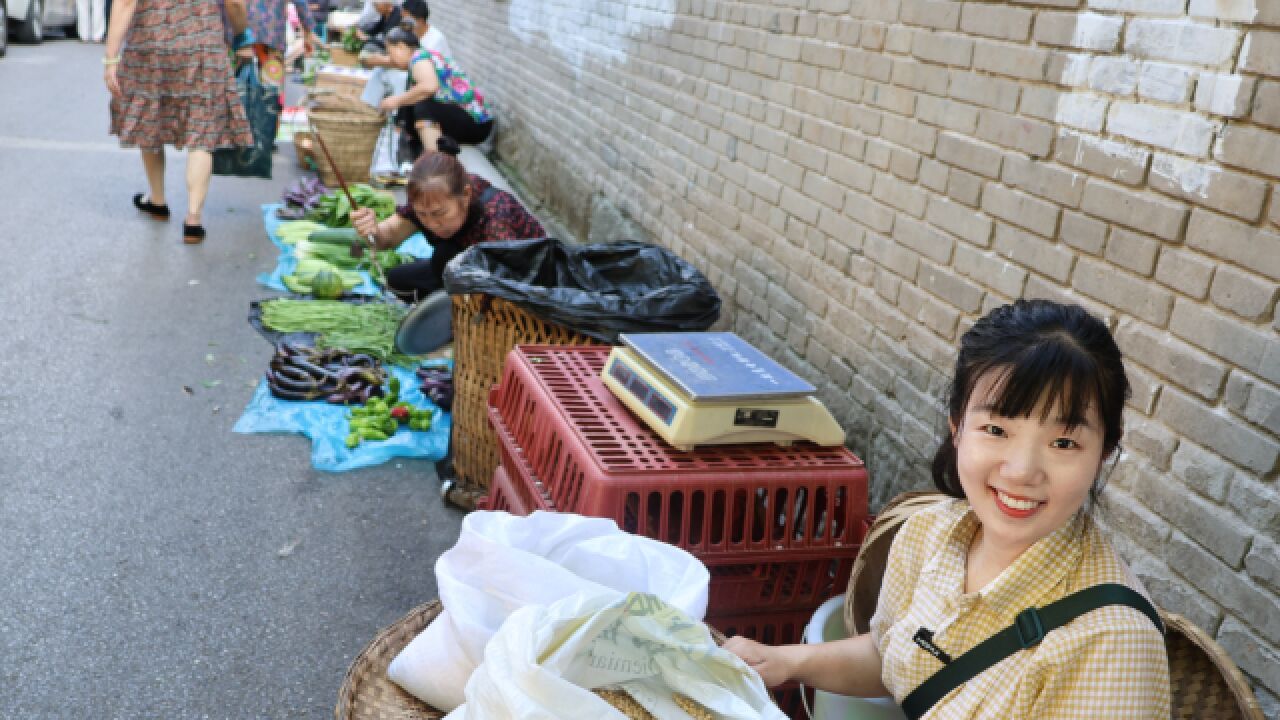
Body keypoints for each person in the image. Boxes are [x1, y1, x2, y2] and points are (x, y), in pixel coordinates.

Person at [725, 299, 1171, 718]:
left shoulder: (1114, 644)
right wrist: (782, 661)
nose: (1021, 471)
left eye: (1063, 442)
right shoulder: (929, 532)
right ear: (957, 426)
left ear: (1104, 451)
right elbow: (894, 656)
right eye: (996, 429)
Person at [104, 0, 254, 244]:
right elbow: (235, 3)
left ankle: (158, 200)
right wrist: (241, 35)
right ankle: (193, 219)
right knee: (202, 129)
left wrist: (111, 58)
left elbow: (125, 2)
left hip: (150, 44)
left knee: (150, 120)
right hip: (203, 45)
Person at [350, 138, 543, 302]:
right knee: (398, 280)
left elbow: (514, 289)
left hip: (515, 286)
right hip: (456, 272)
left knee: (446, 259)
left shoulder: (495, 223)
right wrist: (371, 230)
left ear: (466, 195)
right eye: (422, 215)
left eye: (439, 213)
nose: (431, 224)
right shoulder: (428, 199)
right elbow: (388, 236)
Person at [379, 28, 492, 160]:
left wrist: (396, 100)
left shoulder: (419, 58)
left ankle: (435, 163)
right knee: (410, 101)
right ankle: (409, 152)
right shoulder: (422, 56)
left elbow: (429, 86)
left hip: (477, 124)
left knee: (423, 107)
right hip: (465, 119)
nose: (390, 58)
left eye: (390, 52)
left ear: (401, 47)